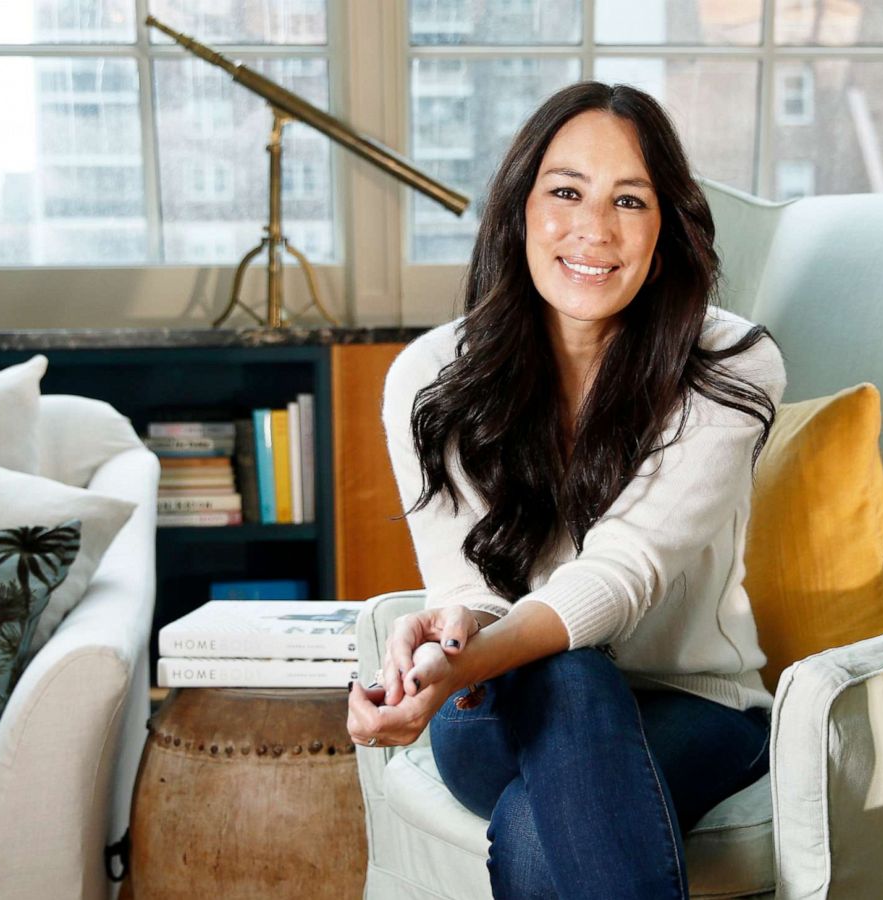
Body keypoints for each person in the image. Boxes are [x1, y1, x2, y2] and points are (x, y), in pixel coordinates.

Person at [346, 80, 786, 900]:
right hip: (492, 706)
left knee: (534, 824)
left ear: (667, 230)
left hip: (698, 707)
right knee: (565, 675)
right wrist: (447, 639)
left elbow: (621, 572)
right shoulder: (430, 380)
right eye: (565, 192)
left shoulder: (730, 367)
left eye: (630, 199)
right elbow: (468, 589)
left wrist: (476, 647)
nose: (594, 228)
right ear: (519, 211)